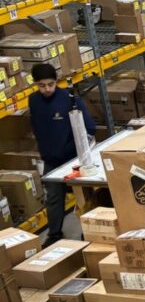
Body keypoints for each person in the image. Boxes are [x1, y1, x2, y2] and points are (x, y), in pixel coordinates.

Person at [27, 63, 95, 246]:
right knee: (54, 198)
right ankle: (54, 234)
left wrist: (76, 151)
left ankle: (90, 231)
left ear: (57, 81)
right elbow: (36, 126)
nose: (47, 89)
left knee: (84, 198)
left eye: (50, 84)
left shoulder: (69, 99)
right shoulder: (33, 100)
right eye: (42, 85)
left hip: (74, 160)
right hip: (51, 160)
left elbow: (89, 128)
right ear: (35, 84)